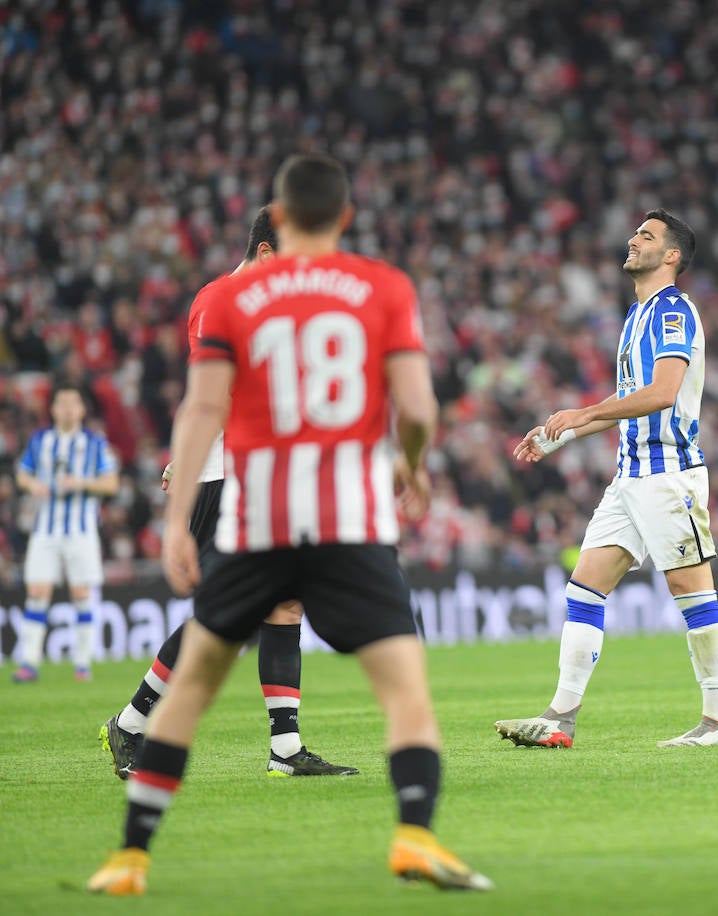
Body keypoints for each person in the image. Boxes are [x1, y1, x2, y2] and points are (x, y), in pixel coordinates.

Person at [87, 153, 492, 895]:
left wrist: (172, 519)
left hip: (258, 509)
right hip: (343, 511)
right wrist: (414, 466)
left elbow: (202, 405)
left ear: (280, 214)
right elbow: (419, 408)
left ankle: (135, 851)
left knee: (213, 666)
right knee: (405, 689)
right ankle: (415, 836)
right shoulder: (381, 287)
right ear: (343, 217)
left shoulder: (232, 302)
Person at [100, 207, 356, 780]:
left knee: (284, 601)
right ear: (265, 253)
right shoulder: (220, 300)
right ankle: (133, 723)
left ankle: (285, 750)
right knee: (225, 615)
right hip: (222, 477)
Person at [495, 209, 718, 749]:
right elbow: (627, 399)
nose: (633, 239)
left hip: (668, 475)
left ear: (671, 255)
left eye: (646, 236)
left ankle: (717, 723)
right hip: (629, 477)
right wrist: (562, 434)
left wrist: (580, 415)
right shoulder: (636, 316)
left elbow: (662, 393)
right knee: (585, 585)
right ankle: (561, 717)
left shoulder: (673, 312)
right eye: (634, 233)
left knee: (691, 591)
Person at [12, 385, 120, 682]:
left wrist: (82, 483)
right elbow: (22, 473)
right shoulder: (40, 440)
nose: (68, 409)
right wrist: (32, 485)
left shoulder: (95, 443)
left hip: (81, 531)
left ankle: (83, 664)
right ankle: (29, 663)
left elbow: (111, 483)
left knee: (81, 593)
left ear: (82, 410)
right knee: (36, 591)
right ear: (54, 409)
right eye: (62, 404)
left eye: (74, 403)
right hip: (45, 530)